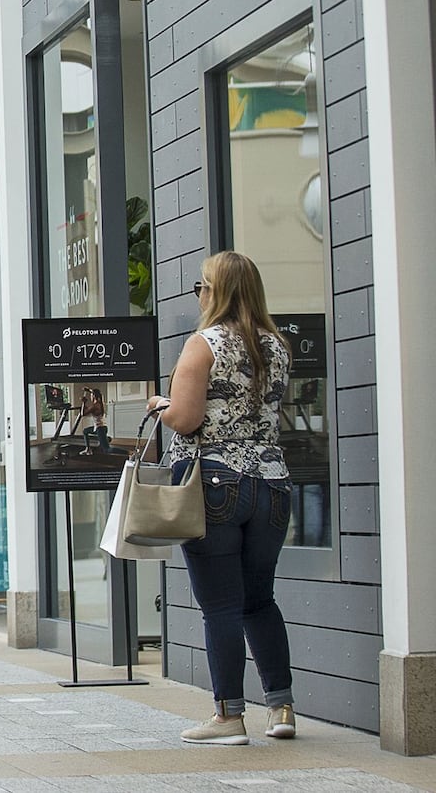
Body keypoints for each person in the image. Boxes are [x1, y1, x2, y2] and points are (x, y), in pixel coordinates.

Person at [147, 251, 296, 746]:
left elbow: (188, 420)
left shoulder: (203, 345)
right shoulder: (277, 346)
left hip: (214, 483)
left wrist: (160, 405)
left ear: (216, 292)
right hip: (272, 484)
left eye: (201, 286)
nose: (199, 295)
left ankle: (229, 717)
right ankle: (282, 707)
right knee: (260, 601)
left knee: (222, 608)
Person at [78, 386, 111, 455]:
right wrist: (88, 390)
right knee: (85, 431)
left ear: (93, 396)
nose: (90, 397)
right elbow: (95, 393)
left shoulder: (95, 406)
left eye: (91, 395)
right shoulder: (101, 403)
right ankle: (88, 449)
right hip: (101, 427)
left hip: (100, 429)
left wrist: (84, 402)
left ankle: (128, 452)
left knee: (107, 450)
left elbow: (82, 414)